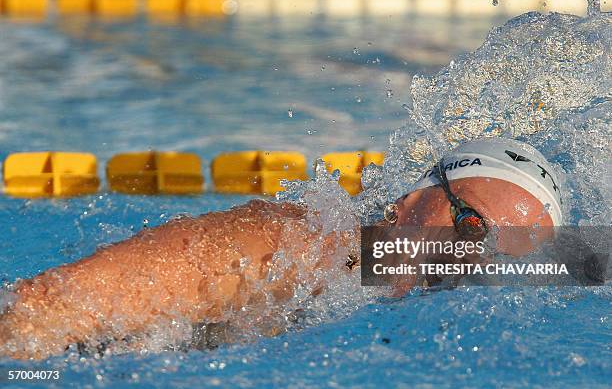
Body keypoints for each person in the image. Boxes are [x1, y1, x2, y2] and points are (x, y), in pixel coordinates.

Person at [0, 138, 562, 359]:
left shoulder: (392, 310)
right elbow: (37, 313)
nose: (475, 262)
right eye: (471, 228)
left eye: (504, 256)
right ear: (408, 201)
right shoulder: (289, 243)